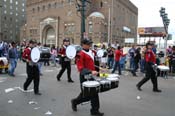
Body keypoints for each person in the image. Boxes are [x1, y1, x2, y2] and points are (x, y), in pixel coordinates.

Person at [71, 38, 104, 116]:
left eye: (90, 44)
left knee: (91, 93)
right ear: (83, 45)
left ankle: (93, 110)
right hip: (84, 76)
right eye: (88, 44)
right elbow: (80, 68)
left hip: (91, 75)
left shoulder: (92, 52)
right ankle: (93, 110)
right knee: (89, 94)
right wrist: (91, 71)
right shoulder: (80, 54)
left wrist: (99, 69)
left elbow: (94, 63)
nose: (90, 45)